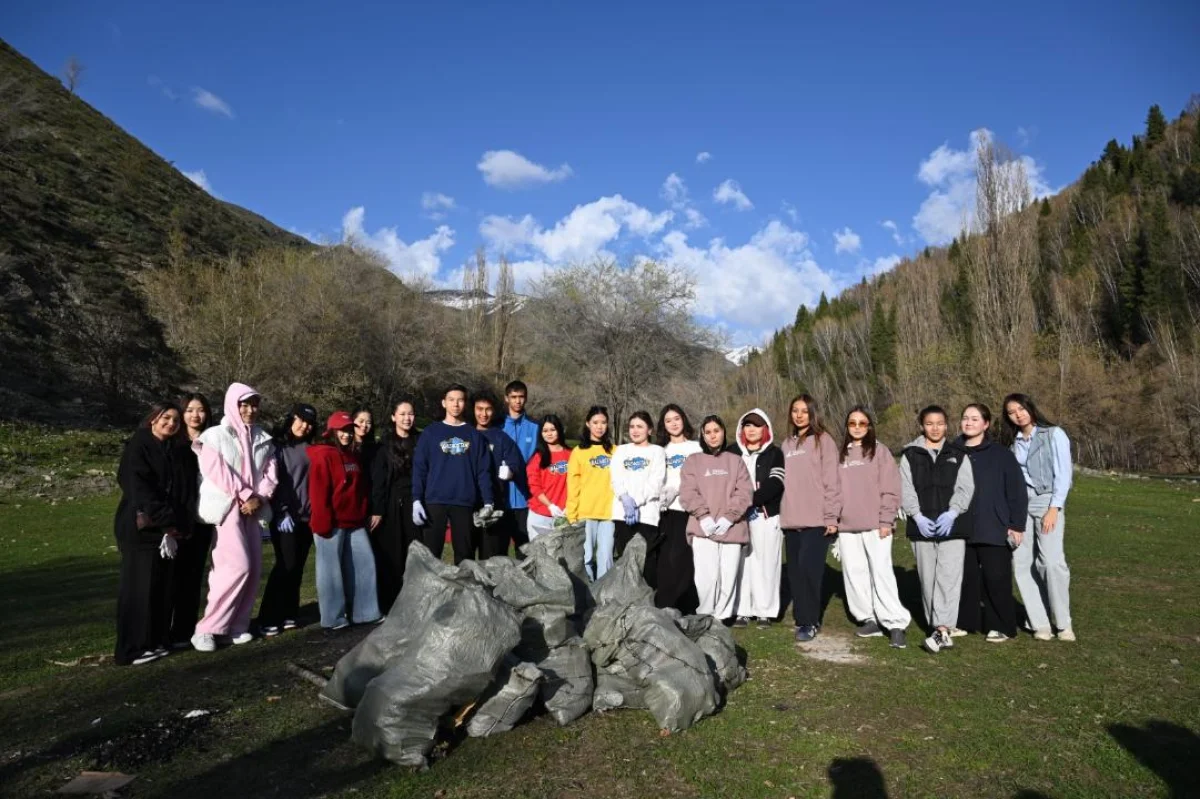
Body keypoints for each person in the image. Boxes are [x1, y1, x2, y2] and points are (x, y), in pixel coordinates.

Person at [191, 383, 277, 652]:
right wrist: (245, 496)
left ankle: (236, 626)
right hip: (228, 507)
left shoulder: (264, 437)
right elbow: (218, 472)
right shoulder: (214, 436)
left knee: (252, 570)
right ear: (232, 404)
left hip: (253, 510)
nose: (250, 410)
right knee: (235, 566)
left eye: (254, 405)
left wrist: (259, 498)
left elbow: (271, 475)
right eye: (244, 405)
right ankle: (207, 628)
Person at [113, 401, 197, 665]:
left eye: (175, 420)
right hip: (142, 527)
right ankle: (131, 648)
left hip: (166, 529)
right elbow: (138, 486)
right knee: (138, 589)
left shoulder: (174, 449)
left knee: (160, 588)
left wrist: (176, 524)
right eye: (166, 418)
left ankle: (154, 640)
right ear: (153, 419)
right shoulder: (139, 445)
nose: (170, 423)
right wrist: (163, 517)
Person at [899, 405, 974, 655]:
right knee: (928, 579)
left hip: (952, 526)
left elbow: (965, 488)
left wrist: (953, 512)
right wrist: (917, 515)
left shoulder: (958, 453)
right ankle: (938, 628)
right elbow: (905, 488)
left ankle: (942, 628)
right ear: (922, 425)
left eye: (940, 423)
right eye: (929, 423)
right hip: (922, 527)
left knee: (949, 577)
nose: (935, 428)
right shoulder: (910, 454)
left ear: (946, 425)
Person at [1001, 393, 1075, 642]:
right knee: (1022, 563)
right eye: (1012, 412)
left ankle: (1063, 623)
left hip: (1046, 501)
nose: (1018, 414)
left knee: (1051, 562)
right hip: (1021, 505)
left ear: (1030, 408)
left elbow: (1064, 475)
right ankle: (1039, 621)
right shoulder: (1013, 443)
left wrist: (1055, 508)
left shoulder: (1053, 434)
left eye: (1021, 408)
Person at [835, 406, 910, 649]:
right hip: (846, 527)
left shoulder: (880, 451)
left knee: (881, 572)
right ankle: (868, 618)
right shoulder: (839, 455)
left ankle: (895, 622)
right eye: (852, 423)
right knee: (854, 573)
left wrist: (886, 520)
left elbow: (891, 488)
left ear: (870, 426)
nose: (857, 427)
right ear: (847, 427)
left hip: (876, 525)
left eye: (862, 423)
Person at [956, 403, 1028, 643]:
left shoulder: (1001, 455)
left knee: (996, 578)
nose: (969, 422)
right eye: (965, 418)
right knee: (964, 577)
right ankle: (964, 622)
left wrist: (1017, 525)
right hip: (961, 527)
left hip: (994, 526)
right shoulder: (951, 451)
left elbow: (1017, 492)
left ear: (985, 424)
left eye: (975, 419)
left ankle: (1000, 625)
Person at [308, 411, 381, 629]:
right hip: (330, 522)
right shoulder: (324, 454)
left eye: (350, 430)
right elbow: (319, 491)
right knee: (330, 572)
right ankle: (333, 618)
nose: (347, 435)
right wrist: (322, 522)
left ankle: (365, 612)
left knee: (364, 564)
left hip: (354, 521)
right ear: (331, 432)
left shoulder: (351, 455)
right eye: (342, 431)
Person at [779, 394, 842, 643]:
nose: (799, 415)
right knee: (795, 573)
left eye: (804, 411)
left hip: (817, 520)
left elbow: (832, 480)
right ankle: (801, 618)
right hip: (791, 521)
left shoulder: (823, 441)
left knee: (809, 571)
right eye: (795, 410)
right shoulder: (786, 444)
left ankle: (809, 621)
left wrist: (831, 516)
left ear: (813, 413)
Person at [679, 415, 753, 620]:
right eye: (708, 432)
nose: (713, 436)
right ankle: (705, 616)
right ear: (703, 435)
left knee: (728, 577)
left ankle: (721, 619)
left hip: (732, 528)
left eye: (716, 431)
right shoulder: (693, 461)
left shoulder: (735, 461)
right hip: (703, 529)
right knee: (707, 578)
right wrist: (703, 516)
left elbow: (744, 491)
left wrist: (729, 517)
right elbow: (687, 492)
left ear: (723, 432)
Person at [411, 384, 494, 565]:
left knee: (465, 558)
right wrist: (416, 499)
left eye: (460, 400)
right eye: (451, 400)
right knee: (430, 559)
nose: (456, 404)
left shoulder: (474, 435)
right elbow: (419, 468)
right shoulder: (431, 432)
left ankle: (463, 593)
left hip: (464, 502)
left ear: (465, 404)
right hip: (434, 501)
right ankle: (430, 594)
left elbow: (483, 471)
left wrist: (488, 501)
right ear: (443, 403)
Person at [257, 403, 318, 636]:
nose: (304, 426)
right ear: (291, 418)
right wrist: (281, 510)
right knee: (285, 564)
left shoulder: (312, 447)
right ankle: (268, 617)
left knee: (298, 566)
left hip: (307, 516)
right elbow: (274, 481)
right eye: (301, 420)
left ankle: (290, 612)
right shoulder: (278, 447)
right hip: (284, 516)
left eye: (309, 423)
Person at [731, 407, 785, 629]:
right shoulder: (732, 452)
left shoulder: (775, 453)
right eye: (747, 425)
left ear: (765, 429)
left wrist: (750, 499)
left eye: (756, 425)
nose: (751, 429)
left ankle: (765, 611)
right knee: (741, 562)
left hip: (766, 515)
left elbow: (776, 482)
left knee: (767, 562)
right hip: (738, 517)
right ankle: (742, 610)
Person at [369, 398, 424, 612]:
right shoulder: (383, 447)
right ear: (393, 417)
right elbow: (379, 481)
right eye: (402, 414)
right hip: (392, 504)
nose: (406, 418)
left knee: (415, 553)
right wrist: (378, 510)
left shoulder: (421, 440)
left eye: (410, 414)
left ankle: (415, 600)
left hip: (416, 502)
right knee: (392, 554)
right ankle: (390, 602)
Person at [169, 392, 214, 649]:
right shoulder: (174, 443)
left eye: (200, 410)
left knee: (194, 575)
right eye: (189, 410)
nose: (195, 415)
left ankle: (184, 631)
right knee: (173, 574)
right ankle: (164, 628)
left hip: (204, 517)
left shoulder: (213, 440)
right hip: (179, 516)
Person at [611, 411, 667, 587]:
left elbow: (656, 481)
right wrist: (625, 499)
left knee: (647, 561)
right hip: (623, 514)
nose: (635, 430)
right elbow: (615, 478)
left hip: (647, 515)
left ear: (649, 430)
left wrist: (636, 502)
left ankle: (647, 602)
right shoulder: (621, 450)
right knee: (625, 560)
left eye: (640, 427)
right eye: (632, 426)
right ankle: (627, 602)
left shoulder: (657, 451)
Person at [472, 389, 529, 559]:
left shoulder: (500, 437)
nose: (483, 414)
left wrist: (510, 471)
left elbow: (516, 462)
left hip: (495, 503)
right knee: (465, 554)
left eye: (488, 409)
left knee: (491, 556)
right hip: (468, 502)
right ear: (473, 410)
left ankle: (492, 586)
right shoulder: (466, 434)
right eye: (479, 409)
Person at [656, 404, 701, 613]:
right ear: (663, 426)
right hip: (667, 511)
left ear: (683, 420)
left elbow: (701, 478)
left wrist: (681, 489)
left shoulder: (696, 447)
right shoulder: (661, 451)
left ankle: (688, 603)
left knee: (686, 557)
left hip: (690, 510)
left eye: (676, 418)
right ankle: (666, 603)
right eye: (668, 420)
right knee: (668, 558)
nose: (673, 423)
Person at [567, 406, 616, 580]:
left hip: (608, 514)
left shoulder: (615, 451)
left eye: (603, 422)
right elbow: (573, 485)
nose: (599, 426)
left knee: (606, 558)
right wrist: (572, 515)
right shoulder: (579, 452)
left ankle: (604, 598)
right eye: (595, 422)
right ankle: (587, 598)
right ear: (588, 424)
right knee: (586, 558)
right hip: (585, 514)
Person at [501, 380, 539, 552]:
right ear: (506, 399)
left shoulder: (536, 427)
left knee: (524, 552)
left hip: (526, 500)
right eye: (513, 397)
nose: (517, 401)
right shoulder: (497, 425)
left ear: (526, 398)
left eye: (521, 397)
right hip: (501, 499)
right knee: (497, 553)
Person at [525, 414, 571, 541]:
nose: (549, 434)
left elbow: (578, 484)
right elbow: (534, 487)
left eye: (552, 429)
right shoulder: (538, 457)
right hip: (540, 515)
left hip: (565, 515)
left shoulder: (572, 455)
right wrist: (550, 506)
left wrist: (570, 506)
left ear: (559, 430)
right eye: (545, 431)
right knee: (540, 557)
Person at [352, 407, 377, 473]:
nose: (364, 425)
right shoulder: (346, 447)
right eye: (361, 421)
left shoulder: (375, 449)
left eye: (368, 422)